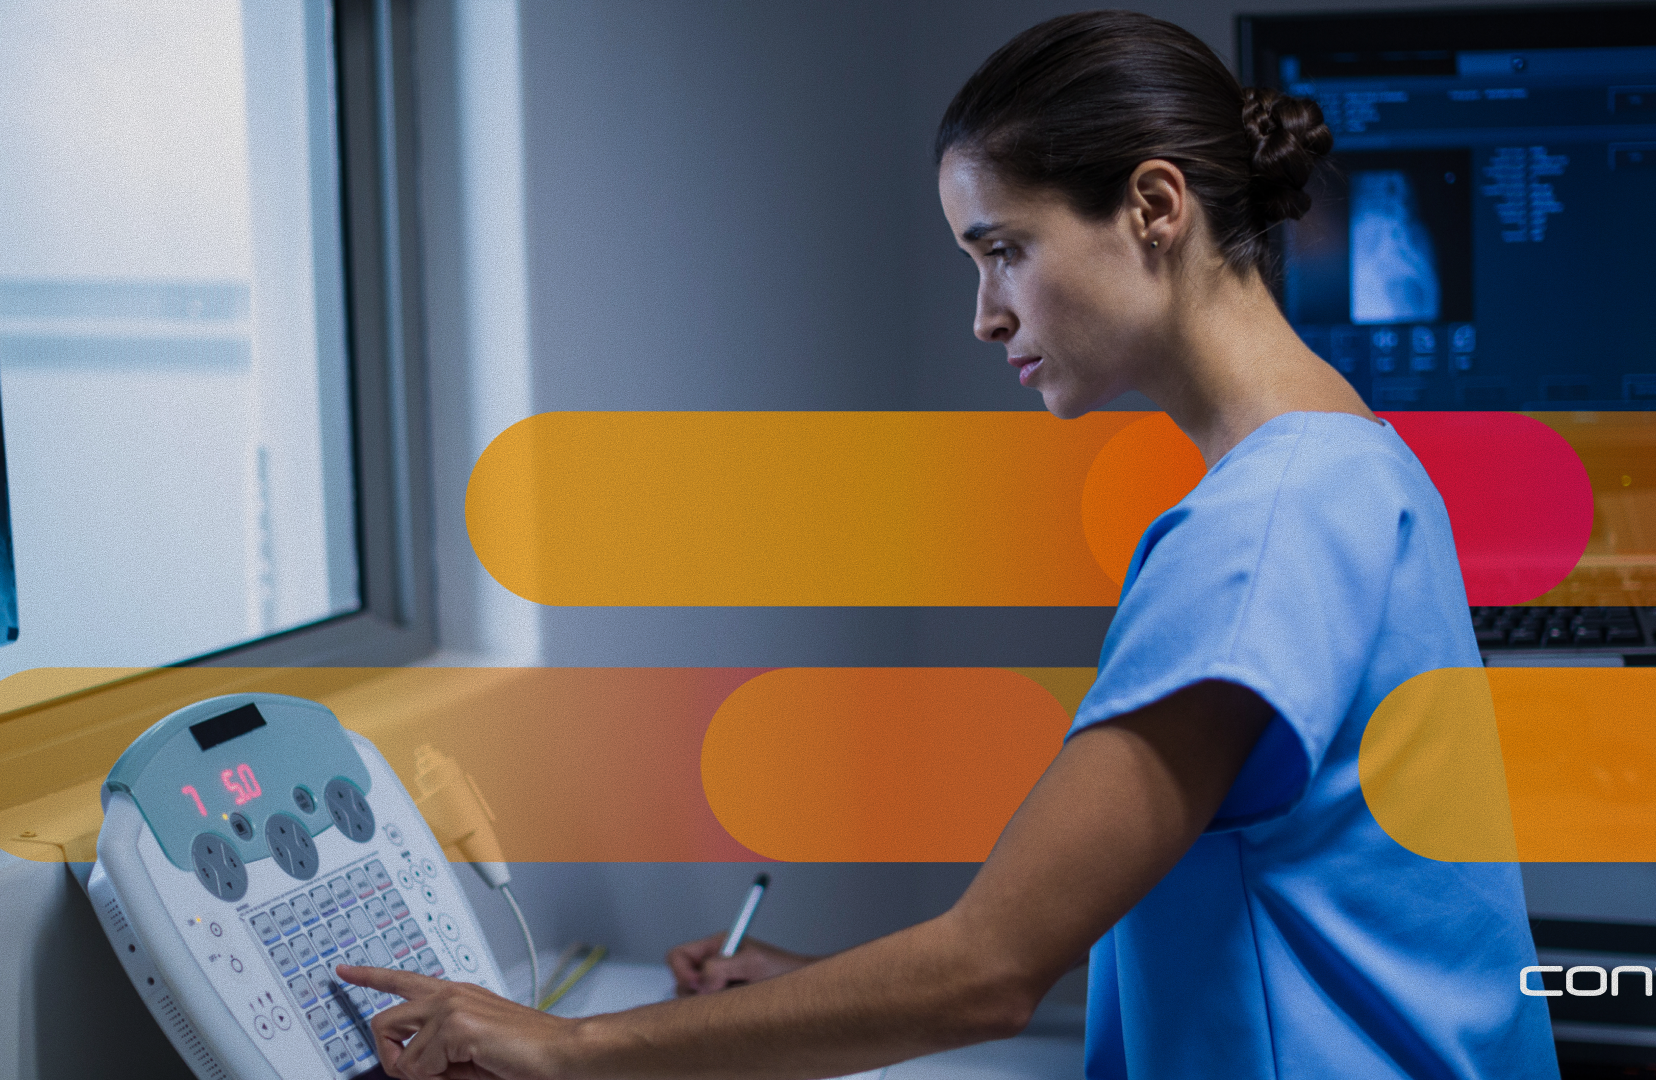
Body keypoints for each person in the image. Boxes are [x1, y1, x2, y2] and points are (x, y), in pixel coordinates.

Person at [340, 11, 1555, 1077]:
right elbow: (1254, 920)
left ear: (1152, 207)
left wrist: (567, 1048)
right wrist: (809, 991)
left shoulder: (1263, 528)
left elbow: (988, 971)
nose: (985, 315)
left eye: (1003, 250)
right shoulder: (1357, 468)